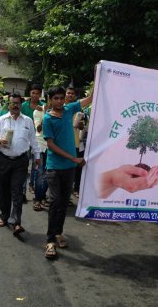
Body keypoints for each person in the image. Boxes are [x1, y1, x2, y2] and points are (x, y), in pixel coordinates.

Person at [43, 86, 93, 259]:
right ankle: (50, 241)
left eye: (61, 98)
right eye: (55, 98)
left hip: (69, 168)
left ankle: (58, 233)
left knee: (64, 202)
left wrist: (98, 74)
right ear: (50, 100)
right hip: (54, 167)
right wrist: (73, 159)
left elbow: (91, 98)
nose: (59, 101)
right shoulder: (48, 119)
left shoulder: (69, 109)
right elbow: (51, 145)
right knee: (55, 201)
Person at [0, 93, 40, 235]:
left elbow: (33, 140)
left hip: (20, 161)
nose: (15, 105)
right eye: (12, 103)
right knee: (2, 191)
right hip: (2, 160)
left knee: (17, 191)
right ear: (8, 105)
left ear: (21, 104)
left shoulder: (28, 121)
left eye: (17, 103)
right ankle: (4, 216)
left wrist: (37, 155)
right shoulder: (1, 120)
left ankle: (16, 222)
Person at [21, 84, 45, 197]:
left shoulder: (44, 107)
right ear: (30, 93)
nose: (35, 95)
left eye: (37, 93)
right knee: (24, 165)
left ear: (40, 94)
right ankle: (22, 192)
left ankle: (32, 185)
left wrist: (43, 111)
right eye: (33, 93)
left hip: (38, 140)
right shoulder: (23, 105)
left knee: (36, 165)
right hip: (25, 139)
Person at [32, 102, 49, 211]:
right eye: (54, 98)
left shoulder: (60, 111)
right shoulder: (38, 111)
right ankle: (37, 198)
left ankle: (42, 196)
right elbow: (38, 129)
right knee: (39, 172)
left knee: (49, 173)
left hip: (53, 147)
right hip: (40, 145)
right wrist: (46, 114)